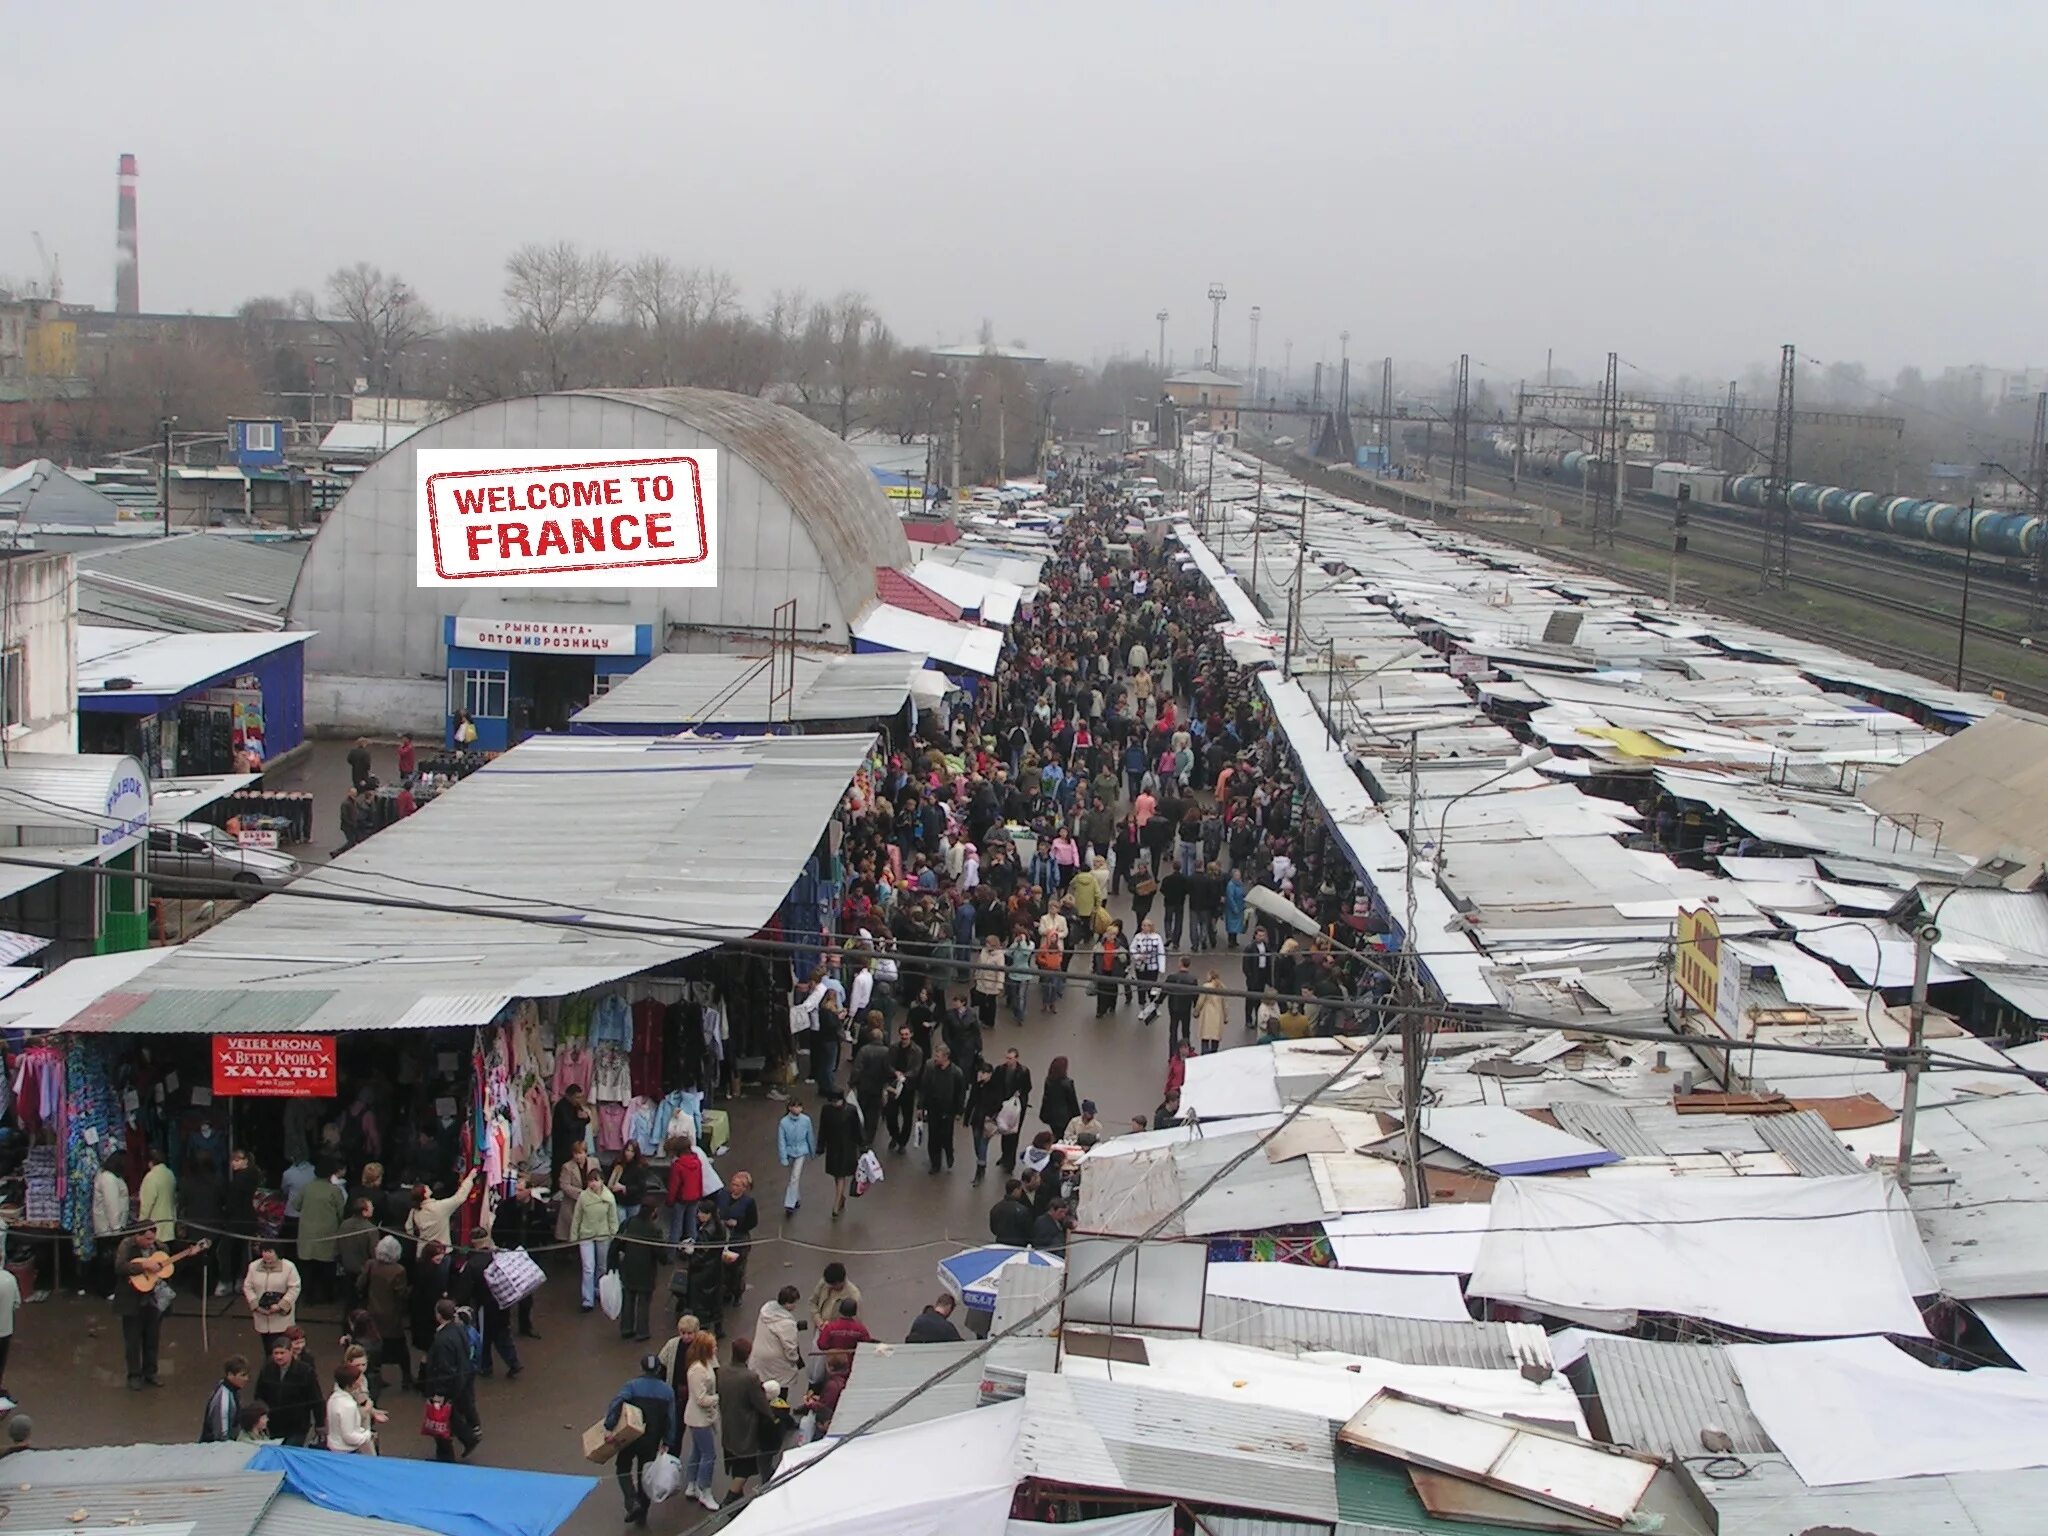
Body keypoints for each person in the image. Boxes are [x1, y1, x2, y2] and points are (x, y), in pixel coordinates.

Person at [605, 1353, 682, 1525]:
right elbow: (671, 1419)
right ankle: (642, 1513)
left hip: (631, 1436)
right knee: (645, 1474)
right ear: (658, 1369)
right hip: (652, 1440)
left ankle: (632, 1502)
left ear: (642, 1368)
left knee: (623, 1467)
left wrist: (610, 1426)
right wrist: (668, 1442)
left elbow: (617, 1403)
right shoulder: (667, 1391)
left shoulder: (632, 1386)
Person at [715, 1336, 780, 1502]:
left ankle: (737, 1499)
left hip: (728, 1423)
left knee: (735, 1462)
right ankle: (728, 1502)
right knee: (744, 1468)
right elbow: (761, 1404)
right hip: (745, 1428)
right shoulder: (749, 1378)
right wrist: (773, 1419)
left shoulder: (722, 1371)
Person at [421, 1298, 481, 1461]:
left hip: (446, 1385)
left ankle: (445, 1455)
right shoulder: (458, 1330)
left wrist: (439, 1393)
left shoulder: (443, 1340)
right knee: (450, 1415)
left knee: (440, 1418)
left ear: (439, 1315)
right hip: (460, 1380)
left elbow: (444, 1369)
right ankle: (468, 1438)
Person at [358, 1235, 413, 1390]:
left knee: (375, 1348)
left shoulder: (370, 1265)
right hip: (391, 1317)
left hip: (372, 1313)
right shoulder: (399, 1270)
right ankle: (406, 1378)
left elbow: (360, 1284)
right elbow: (400, 1294)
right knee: (401, 1349)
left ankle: (377, 1377)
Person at [615, 1190, 668, 1343]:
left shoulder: (629, 1223)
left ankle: (626, 1328)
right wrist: (665, 1259)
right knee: (644, 1302)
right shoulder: (655, 1230)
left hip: (629, 1267)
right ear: (653, 1212)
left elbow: (619, 1243)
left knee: (629, 1299)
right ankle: (642, 1331)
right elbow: (660, 1252)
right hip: (646, 1270)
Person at [254, 1335, 321, 1447]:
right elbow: (259, 1395)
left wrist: (320, 1424)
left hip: (297, 1425)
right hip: (274, 1424)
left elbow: (316, 1398)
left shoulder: (305, 1371)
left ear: (290, 1352)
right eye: (276, 1353)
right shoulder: (267, 1370)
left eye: (282, 1353)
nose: (279, 1357)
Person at [295, 1159, 347, 1305]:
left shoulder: (306, 1188)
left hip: (307, 1235)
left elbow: (296, 1205)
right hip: (327, 1234)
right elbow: (341, 1213)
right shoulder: (335, 1191)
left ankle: (308, 1296)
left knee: (307, 1268)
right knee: (327, 1267)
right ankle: (328, 1296)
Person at [681, 1331, 723, 1511]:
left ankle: (692, 1484)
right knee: (709, 1454)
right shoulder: (697, 1370)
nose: (716, 1348)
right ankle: (705, 1490)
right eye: (713, 1346)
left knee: (697, 1451)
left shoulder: (706, 1362)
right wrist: (717, 1398)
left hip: (699, 1417)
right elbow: (701, 1399)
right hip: (699, 1419)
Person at [573, 1166, 619, 1311]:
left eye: (596, 1181)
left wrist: (614, 1234)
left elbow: (613, 1218)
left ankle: (598, 1290)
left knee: (602, 1266)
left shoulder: (609, 1198)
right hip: (586, 1235)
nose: (593, 1184)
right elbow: (577, 1216)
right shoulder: (583, 1197)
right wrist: (574, 1236)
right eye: (590, 1181)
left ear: (602, 1181)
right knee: (588, 1268)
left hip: (603, 1236)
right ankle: (587, 1299)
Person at [683, 1200, 732, 1336]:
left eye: (701, 1213)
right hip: (716, 1269)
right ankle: (718, 1328)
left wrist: (689, 1253)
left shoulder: (705, 1232)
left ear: (709, 1214)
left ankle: (703, 1329)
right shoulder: (720, 1226)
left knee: (701, 1304)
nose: (698, 1215)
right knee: (716, 1301)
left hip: (702, 1273)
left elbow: (700, 1255)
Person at [242, 1241, 302, 1348]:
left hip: (281, 1318)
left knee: (282, 1347)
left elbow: (294, 1288)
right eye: (265, 1251)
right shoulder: (253, 1266)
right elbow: (248, 1286)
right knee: (267, 1347)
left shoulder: (289, 1267)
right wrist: (255, 1304)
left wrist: (280, 1305)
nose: (267, 1255)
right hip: (261, 1315)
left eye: (270, 1252)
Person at [918, 1043, 966, 1174]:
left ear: (946, 1057)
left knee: (946, 1136)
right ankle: (935, 1163)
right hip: (933, 1108)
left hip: (948, 1110)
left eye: (938, 1056)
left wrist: (959, 1112)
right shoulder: (930, 1068)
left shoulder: (956, 1073)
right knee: (933, 1137)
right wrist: (920, 1106)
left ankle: (949, 1153)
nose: (935, 1058)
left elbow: (960, 1094)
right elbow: (924, 1087)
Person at [405, 1168, 479, 1249]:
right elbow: (459, 1197)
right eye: (425, 1188)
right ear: (425, 1195)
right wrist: (470, 1178)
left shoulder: (414, 1211)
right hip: (441, 1251)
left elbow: (409, 1228)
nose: (427, 1186)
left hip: (423, 1250)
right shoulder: (439, 1207)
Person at [715, 1172, 759, 1306]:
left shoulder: (749, 1203)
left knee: (738, 1269)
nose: (733, 1187)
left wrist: (738, 1224)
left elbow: (753, 1222)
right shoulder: (722, 1196)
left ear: (744, 1188)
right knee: (723, 1267)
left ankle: (737, 1293)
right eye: (733, 1184)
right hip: (723, 1236)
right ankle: (725, 1292)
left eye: (737, 1185)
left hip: (739, 1238)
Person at [818, 1087, 862, 1218]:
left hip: (847, 1148)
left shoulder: (851, 1110)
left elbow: (857, 1129)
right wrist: (821, 1145)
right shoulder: (826, 1110)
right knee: (837, 1175)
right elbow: (823, 1128)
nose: (834, 1104)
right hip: (833, 1147)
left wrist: (862, 1145)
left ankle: (836, 1204)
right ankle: (841, 1196)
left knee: (840, 1175)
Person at [990, 1047, 1033, 1171]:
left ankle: (1010, 1162)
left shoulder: (1023, 1071)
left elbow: (1028, 1087)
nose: (1008, 1061)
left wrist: (1020, 1092)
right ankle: (1004, 1156)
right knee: (1004, 1130)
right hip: (1003, 1105)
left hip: (1016, 1107)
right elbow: (995, 1085)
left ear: (1016, 1059)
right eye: (1007, 1058)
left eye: (1011, 1058)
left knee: (1014, 1133)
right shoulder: (1000, 1070)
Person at [326, 1360, 383, 1453]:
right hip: (346, 1451)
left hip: (335, 1448)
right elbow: (350, 1436)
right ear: (351, 1384)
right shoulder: (348, 1405)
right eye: (358, 1381)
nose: (361, 1384)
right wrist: (368, 1435)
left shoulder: (333, 1398)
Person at [884, 1026, 924, 1152]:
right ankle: (894, 1135)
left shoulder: (917, 1051)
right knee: (890, 1114)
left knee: (907, 1117)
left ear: (911, 1035)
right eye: (902, 1034)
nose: (904, 1037)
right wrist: (895, 1073)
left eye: (906, 1034)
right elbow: (888, 1064)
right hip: (894, 1085)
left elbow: (916, 1069)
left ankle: (902, 1142)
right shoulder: (894, 1048)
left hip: (908, 1088)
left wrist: (905, 1076)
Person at [777, 1098, 815, 1214]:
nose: (797, 1109)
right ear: (790, 1107)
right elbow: (781, 1141)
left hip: (801, 1151)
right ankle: (796, 1198)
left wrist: (812, 1151)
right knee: (793, 1178)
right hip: (789, 1152)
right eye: (795, 1106)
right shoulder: (783, 1122)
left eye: (799, 1106)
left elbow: (810, 1136)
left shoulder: (806, 1120)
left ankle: (789, 1203)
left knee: (794, 1177)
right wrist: (783, 1157)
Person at [199, 1354, 249, 1442]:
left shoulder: (233, 1391)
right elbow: (221, 1433)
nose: (246, 1379)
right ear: (230, 1374)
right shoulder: (223, 1397)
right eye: (242, 1375)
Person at [556, 1141, 594, 1243]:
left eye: (580, 1153)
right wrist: (582, 1193)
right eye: (575, 1153)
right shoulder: (567, 1167)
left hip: (590, 1203)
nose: (578, 1156)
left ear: (586, 1153)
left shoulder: (594, 1163)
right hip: (572, 1204)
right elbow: (564, 1185)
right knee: (572, 1234)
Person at [552, 1085, 593, 1179]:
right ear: (569, 1096)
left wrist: (585, 1118)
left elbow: (586, 1119)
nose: (579, 1100)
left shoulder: (576, 1106)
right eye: (577, 1097)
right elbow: (569, 1126)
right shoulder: (561, 1107)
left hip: (575, 1144)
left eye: (581, 1097)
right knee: (562, 1170)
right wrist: (582, 1121)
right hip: (563, 1146)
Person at [137, 1147, 177, 1243]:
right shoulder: (170, 1174)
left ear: (150, 1162)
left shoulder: (151, 1177)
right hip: (170, 1227)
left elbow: (146, 1206)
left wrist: (140, 1227)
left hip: (155, 1231)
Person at [809, 1263, 860, 1332]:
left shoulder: (853, 1295)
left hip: (838, 1334)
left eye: (833, 1285)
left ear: (841, 1281)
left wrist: (832, 1327)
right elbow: (812, 1302)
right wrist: (819, 1322)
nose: (830, 1287)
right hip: (820, 1328)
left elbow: (854, 1322)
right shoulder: (824, 1283)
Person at [1040, 1056, 1080, 1140]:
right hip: (1065, 1117)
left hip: (1052, 1116)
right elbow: (1072, 1102)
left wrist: (1044, 1113)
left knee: (1056, 1135)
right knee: (1065, 1138)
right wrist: (1077, 1117)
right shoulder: (1068, 1083)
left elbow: (1046, 1099)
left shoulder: (1049, 1081)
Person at [989, 1178, 1034, 1246]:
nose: (1021, 1192)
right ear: (1015, 1190)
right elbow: (1028, 1231)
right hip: (1017, 1246)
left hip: (1000, 1243)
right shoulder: (1022, 1210)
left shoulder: (996, 1208)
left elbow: (993, 1229)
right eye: (1020, 1189)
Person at [1166, 955, 1197, 1054]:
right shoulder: (1192, 979)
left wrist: (1158, 1002)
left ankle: (1172, 1054)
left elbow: (1164, 990)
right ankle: (1186, 1051)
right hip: (1186, 1008)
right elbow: (1195, 995)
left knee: (1173, 1031)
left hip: (1173, 1007)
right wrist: (1196, 1007)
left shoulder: (1172, 977)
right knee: (1186, 1031)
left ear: (1180, 964)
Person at [1197, 968, 1229, 1054]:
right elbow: (1225, 1005)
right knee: (1215, 1040)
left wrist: (1196, 1011)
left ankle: (1204, 1056)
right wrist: (1226, 1017)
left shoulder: (1206, 987)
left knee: (1205, 1038)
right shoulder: (1222, 988)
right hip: (1218, 1018)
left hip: (1207, 1016)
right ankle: (1213, 1056)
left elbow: (1200, 1001)